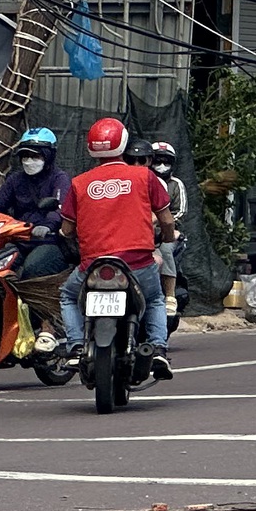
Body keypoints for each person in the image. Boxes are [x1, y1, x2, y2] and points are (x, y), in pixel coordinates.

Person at [56, 117, 173, 380]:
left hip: (93, 265)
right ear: (123, 143)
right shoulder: (144, 176)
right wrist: (166, 239)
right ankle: (157, 348)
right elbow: (166, 219)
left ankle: (75, 346)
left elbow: (66, 229)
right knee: (155, 299)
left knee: (68, 296)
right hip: (138, 262)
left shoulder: (79, 183)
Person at [0, 126, 72, 278]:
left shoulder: (59, 179)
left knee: (33, 268)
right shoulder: (16, 180)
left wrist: (47, 225)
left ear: (48, 156)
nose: (29, 161)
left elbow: (60, 207)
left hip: (48, 241)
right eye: (25, 156)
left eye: (35, 157)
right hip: (19, 239)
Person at [139, 139, 191, 315]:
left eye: (166, 162)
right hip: (140, 230)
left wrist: (162, 223)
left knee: (167, 249)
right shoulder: (140, 182)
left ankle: (170, 296)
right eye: (157, 161)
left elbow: (180, 212)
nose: (161, 165)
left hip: (166, 231)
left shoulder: (175, 185)